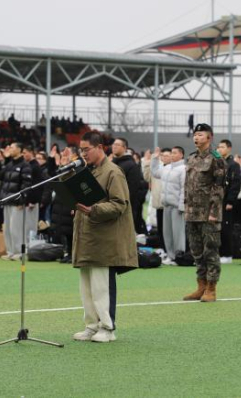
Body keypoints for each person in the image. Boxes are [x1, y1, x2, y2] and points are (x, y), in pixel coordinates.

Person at [67, 131, 138, 343]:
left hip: (105, 239)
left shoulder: (113, 172)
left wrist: (92, 209)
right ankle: (91, 325)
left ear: (100, 148)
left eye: (86, 149)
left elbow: (119, 204)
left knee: (101, 286)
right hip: (87, 237)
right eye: (81, 150)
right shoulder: (89, 171)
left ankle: (107, 327)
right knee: (86, 286)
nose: (83, 154)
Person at [183, 124, 226, 303]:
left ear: (209, 137)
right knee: (196, 252)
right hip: (192, 213)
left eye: (200, 135)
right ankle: (200, 285)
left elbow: (219, 187)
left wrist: (214, 213)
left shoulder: (216, 158)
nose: (196, 138)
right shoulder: (191, 158)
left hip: (208, 213)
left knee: (211, 251)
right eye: (195, 135)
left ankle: (211, 288)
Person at [0, 142, 32, 260]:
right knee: (8, 228)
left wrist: (22, 201)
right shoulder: (9, 164)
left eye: (12, 147)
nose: (10, 149)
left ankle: (20, 252)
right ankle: (10, 251)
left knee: (17, 228)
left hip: (17, 202)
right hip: (7, 200)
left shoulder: (25, 165)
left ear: (20, 150)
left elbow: (26, 185)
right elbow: (0, 176)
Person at [150, 146, 186, 264]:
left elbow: (184, 189)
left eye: (175, 153)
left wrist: (182, 206)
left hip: (177, 206)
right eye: (172, 153)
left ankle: (179, 255)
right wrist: (155, 159)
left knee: (178, 233)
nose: (172, 155)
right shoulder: (166, 168)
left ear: (181, 155)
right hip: (166, 205)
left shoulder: (184, 169)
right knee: (168, 233)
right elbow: (155, 172)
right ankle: (170, 256)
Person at [111, 138, 148, 234]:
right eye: (113, 144)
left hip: (125, 207)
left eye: (117, 145)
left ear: (124, 148)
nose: (114, 146)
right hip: (111, 205)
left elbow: (133, 189)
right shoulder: (112, 163)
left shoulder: (131, 165)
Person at [217, 140, 241, 258]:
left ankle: (227, 254)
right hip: (216, 201)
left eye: (222, 147)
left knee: (226, 228)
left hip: (226, 201)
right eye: (218, 147)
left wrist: (230, 201)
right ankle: (219, 252)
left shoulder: (233, 165)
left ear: (229, 148)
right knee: (217, 228)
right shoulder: (217, 163)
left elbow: (235, 185)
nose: (219, 149)